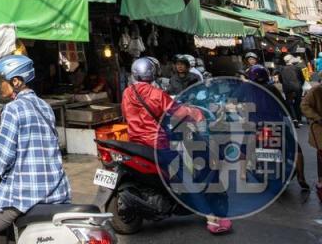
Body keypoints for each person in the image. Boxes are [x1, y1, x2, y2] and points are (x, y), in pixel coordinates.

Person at [122, 57, 230, 234]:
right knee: (186, 178)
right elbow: (179, 112)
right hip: (157, 143)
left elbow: (127, 114)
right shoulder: (156, 94)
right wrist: (196, 114)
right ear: (152, 72)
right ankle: (212, 218)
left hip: (135, 142)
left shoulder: (127, 92)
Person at [0, 55, 69, 244]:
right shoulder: (45, 107)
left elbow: (5, 157)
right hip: (55, 188)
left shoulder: (12, 109)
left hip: (25, 191)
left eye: (1, 82)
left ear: (16, 81)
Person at [245, 64, 309, 191]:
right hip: (276, 124)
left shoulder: (247, 89)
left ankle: (243, 173)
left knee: (244, 148)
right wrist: (291, 118)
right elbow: (283, 106)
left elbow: (235, 103)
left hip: (256, 126)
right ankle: (301, 177)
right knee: (296, 148)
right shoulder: (272, 88)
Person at [300, 80, 322, 202]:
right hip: (320, 128)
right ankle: (320, 182)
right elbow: (304, 105)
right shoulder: (316, 91)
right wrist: (317, 118)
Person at [280, 55, 305, 128]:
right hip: (297, 88)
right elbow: (302, 79)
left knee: (290, 103)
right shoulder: (297, 68)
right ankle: (299, 119)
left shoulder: (282, 69)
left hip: (287, 88)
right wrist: (300, 85)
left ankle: (294, 119)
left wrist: (285, 84)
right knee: (297, 103)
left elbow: (281, 79)